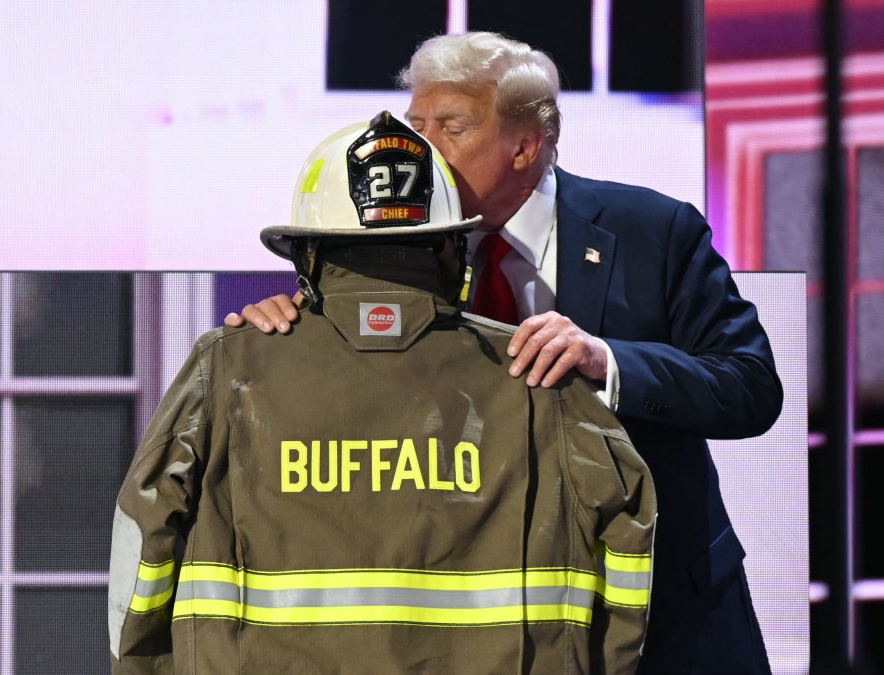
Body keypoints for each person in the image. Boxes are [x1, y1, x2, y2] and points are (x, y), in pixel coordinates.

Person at [227, 33, 783, 674]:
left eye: (451, 128)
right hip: (481, 624)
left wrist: (607, 361)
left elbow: (750, 385)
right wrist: (284, 331)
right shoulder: (385, 250)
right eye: (416, 126)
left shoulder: (653, 230)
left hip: (664, 613)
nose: (420, 150)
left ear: (525, 147)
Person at [109, 112, 657, 674]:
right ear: (453, 249)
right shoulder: (543, 377)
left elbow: (144, 537)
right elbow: (629, 540)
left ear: (308, 256)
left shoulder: (228, 367)